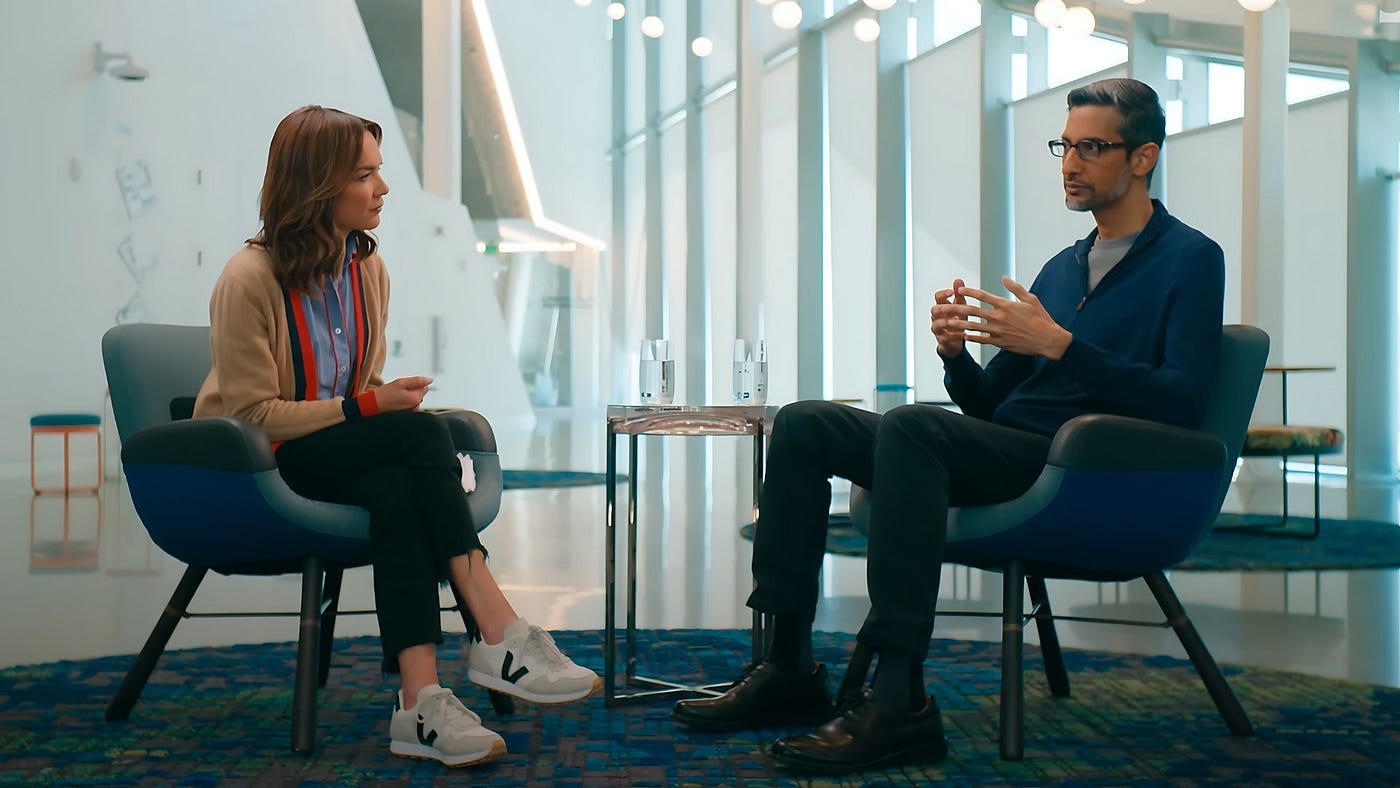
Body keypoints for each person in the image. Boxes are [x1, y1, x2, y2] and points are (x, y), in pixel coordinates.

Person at [671, 78, 1225, 774]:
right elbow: (989, 409)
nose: (1070, 163)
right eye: (1064, 145)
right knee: (807, 422)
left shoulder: (1191, 258)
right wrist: (957, 357)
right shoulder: (1062, 267)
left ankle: (901, 701)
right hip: (1014, 449)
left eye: (1091, 147)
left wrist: (1060, 345)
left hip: (1084, 466)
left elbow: (1183, 402)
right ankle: (787, 664)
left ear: (1143, 157)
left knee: (910, 429)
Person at [194, 105, 601, 768]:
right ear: (317, 185)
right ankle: (495, 627)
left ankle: (419, 702)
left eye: (378, 172)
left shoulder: (367, 271)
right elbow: (253, 418)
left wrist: (371, 407)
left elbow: (360, 390)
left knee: (398, 488)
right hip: (261, 465)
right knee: (416, 436)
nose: (382, 188)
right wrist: (370, 406)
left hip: (330, 451)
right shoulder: (248, 278)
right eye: (365, 174)